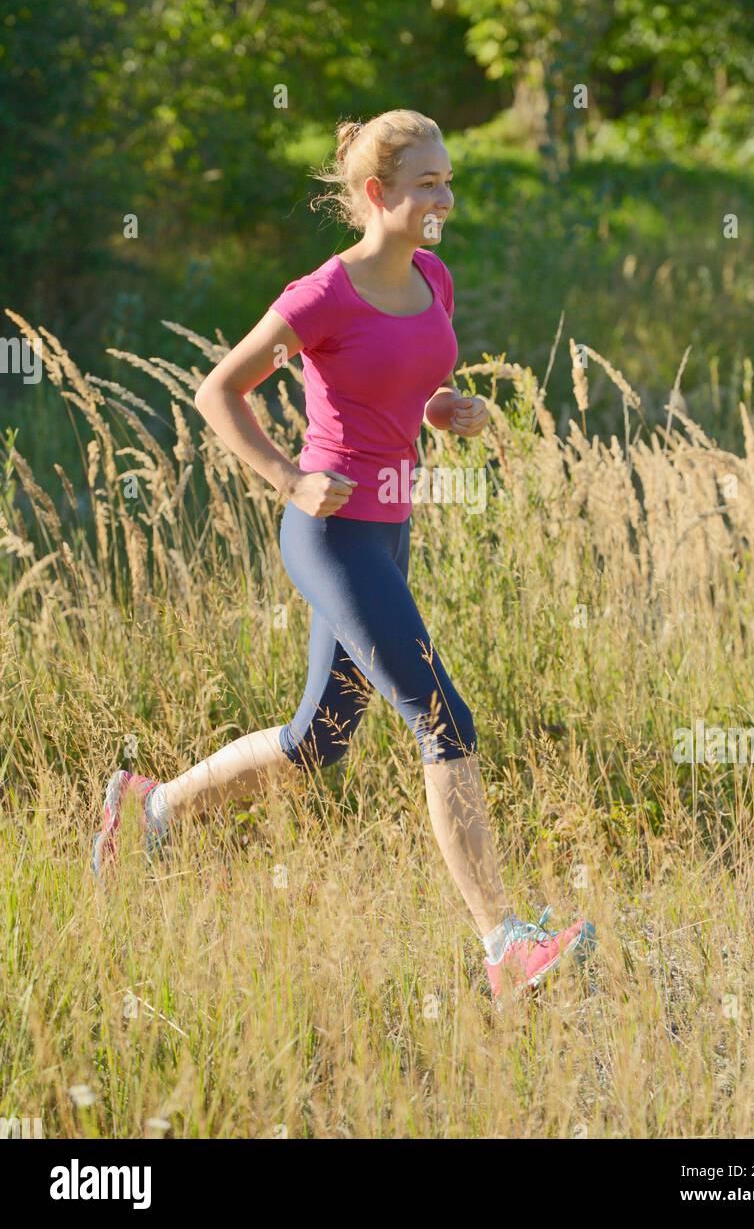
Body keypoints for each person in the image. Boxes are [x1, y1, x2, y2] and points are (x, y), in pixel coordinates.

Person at [92, 108, 595, 1002]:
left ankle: (154, 805)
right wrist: (288, 477)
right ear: (377, 194)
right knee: (444, 719)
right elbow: (219, 391)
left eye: (447, 178)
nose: (446, 195)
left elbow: (401, 379)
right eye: (428, 182)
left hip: (389, 528)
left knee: (316, 742)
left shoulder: (431, 276)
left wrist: (441, 410)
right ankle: (504, 943)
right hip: (327, 535)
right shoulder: (318, 294)